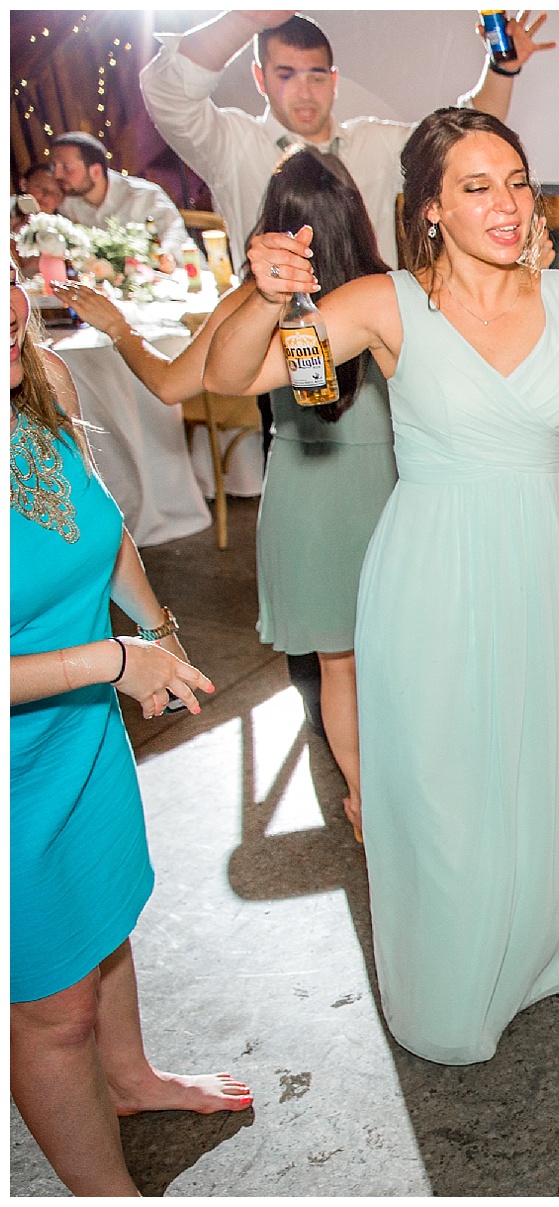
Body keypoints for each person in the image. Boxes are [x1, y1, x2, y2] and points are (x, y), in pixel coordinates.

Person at [203, 106, 559, 1065]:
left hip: (526, 577)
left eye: (517, 181)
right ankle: (447, 981)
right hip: (426, 578)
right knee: (438, 788)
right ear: (429, 208)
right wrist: (262, 294)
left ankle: (532, 946)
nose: (509, 204)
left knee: (519, 768)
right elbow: (238, 375)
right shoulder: (386, 303)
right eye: (477, 187)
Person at [50, 147, 397, 845]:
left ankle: (364, 802)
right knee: (396, 655)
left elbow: (175, 384)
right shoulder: (389, 289)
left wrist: (120, 332)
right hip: (389, 491)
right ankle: (399, 791)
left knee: (339, 664)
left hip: (306, 497)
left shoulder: (253, 299)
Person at [11, 279, 251, 1196]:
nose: (6, 306)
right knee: (49, 1010)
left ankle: (131, 1078)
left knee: (103, 924)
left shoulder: (44, 387)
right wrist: (111, 662)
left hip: (78, 739)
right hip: (14, 776)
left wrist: (155, 631)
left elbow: (104, 533)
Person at [139, 10, 553, 266]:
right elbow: (167, 94)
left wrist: (502, 69)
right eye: (286, 75)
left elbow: (460, 139)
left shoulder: (373, 143)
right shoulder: (229, 143)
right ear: (259, 78)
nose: (303, 91)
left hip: (377, 341)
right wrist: (245, 20)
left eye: (316, 76)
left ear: (333, 81)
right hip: (276, 346)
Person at [48, 132, 193, 264]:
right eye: (55, 167)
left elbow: (173, 232)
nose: (57, 175)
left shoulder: (143, 195)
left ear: (96, 171)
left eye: (66, 167)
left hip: (181, 275)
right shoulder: (69, 203)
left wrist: (165, 255)